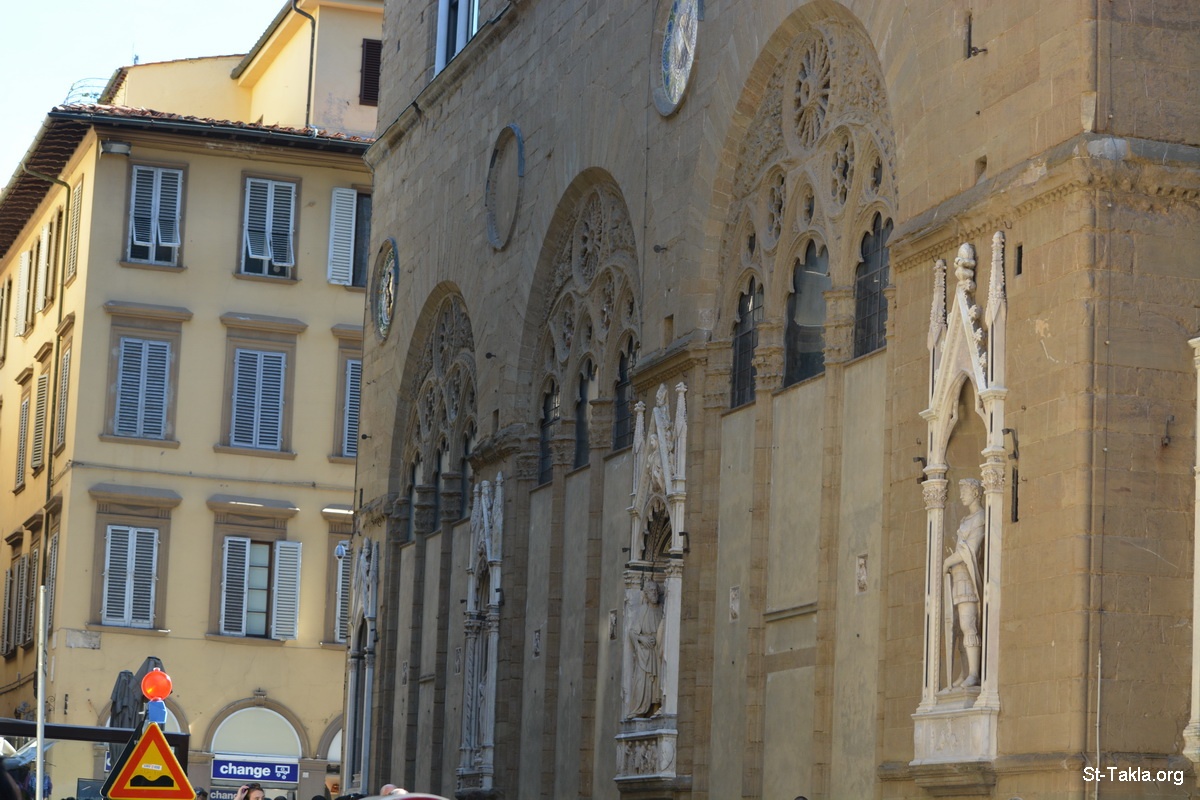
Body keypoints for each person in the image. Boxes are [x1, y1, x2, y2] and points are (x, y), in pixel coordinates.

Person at [943, 478, 985, 688]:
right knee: (959, 628)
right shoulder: (965, 520)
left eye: (965, 491)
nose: (961, 496)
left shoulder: (980, 517)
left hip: (968, 578)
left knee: (968, 625)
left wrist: (948, 561)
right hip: (958, 577)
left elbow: (971, 549)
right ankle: (965, 671)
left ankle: (975, 674)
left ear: (976, 492)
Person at [627, 580, 665, 717]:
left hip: (658, 649)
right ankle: (639, 710)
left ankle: (656, 709)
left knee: (658, 682)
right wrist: (643, 639)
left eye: (655, 591)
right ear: (646, 595)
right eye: (651, 591)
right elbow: (632, 632)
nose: (654, 594)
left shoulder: (662, 609)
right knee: (642, 680)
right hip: (646, 652)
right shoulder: (643, 610)